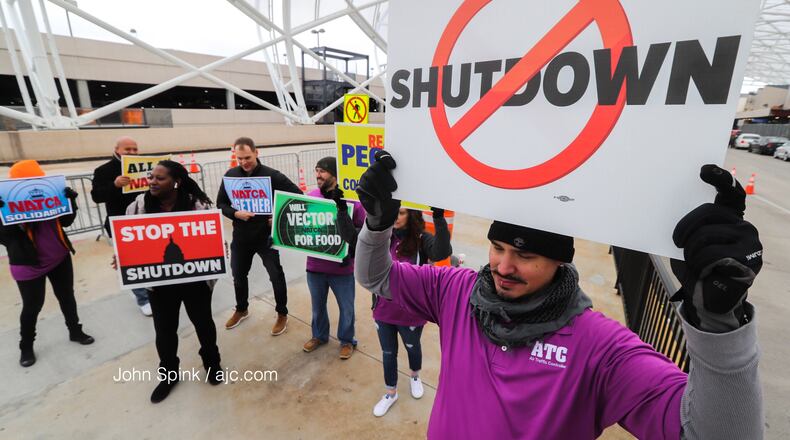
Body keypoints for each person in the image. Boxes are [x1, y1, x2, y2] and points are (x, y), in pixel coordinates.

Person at [354, 150, 763, 439]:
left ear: (559, 264)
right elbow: (377, 278)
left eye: (525, 255)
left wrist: (721, 323)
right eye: (498, 248)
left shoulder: (600, 347)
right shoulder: (457, 291)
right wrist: (377, 226)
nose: (502, 266)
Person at [120, 160, 223, 403]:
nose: (152, 181)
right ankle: (168, 374)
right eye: (151, 177)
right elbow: (129, 242)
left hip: (195, 281)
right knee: (164, 332)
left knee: (204, 324)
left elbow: (213, 238)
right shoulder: (138, 207)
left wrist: (220, 249)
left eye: (159, 178)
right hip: (160, 284)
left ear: (175, 182)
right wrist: (123, 257)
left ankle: (212, 363)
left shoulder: (198, 205)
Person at [0, 160, 94, 368]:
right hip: (28, 264)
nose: (34, 184)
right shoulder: (6, 201)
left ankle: (75, 330)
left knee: (66, 296)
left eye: (38, 178)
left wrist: (71, 203)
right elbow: (5, 238)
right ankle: (26, 346)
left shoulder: (49, 194)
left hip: (59, 256)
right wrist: (6, 215)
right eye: (28, 180)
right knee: (32, 306)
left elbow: (66, 222)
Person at [216, 137, 302, 333]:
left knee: (276, 276)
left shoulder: (273, 176)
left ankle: (282, 313)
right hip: (241, 237)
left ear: (256, 152)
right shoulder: (231, 176)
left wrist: (279, 215)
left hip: (266, 238)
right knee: (238, 276)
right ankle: (242, 309)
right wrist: (235, 213)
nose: (244, 162)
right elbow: (220, 204)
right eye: (239, 159)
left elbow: (297, 196)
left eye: (247, 157)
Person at [372, 207, 452, 416]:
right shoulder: (382, 236)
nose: (395, 217)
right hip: (383, 310)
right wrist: (344, 210)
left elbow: (441, 252)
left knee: (412, 347)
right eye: (394, 212)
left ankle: (415, 376)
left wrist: (438, 218)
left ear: (412, 215)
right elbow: (356, 244)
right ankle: (390, 392)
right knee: (388, 353)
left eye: (401, 212)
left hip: (411, 313)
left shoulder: (420, 239)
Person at [302, 157, 366, 359]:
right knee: (317, 307)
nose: (318, 175)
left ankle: (347, 341)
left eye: (322, 171)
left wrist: (350, 252)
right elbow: (299, 226)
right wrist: (278, 233)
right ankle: (319, 336)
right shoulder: (311, 197)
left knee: (346, 308)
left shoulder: (352, 200)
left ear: (335, 174)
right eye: (317, 170)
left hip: (342, 268)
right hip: (315, 266)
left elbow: (362, 231)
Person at [91, 136, 151, 316]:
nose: (132, 152)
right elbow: (96, 196)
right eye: (128, 149)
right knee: (129, 262)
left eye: (135, 149)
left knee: (150, 259)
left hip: (145, 221)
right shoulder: (103, 170)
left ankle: (148, 290)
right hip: (120, 224)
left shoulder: (145, 166)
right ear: (117, 150)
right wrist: (114, 185)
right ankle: (142, 298)